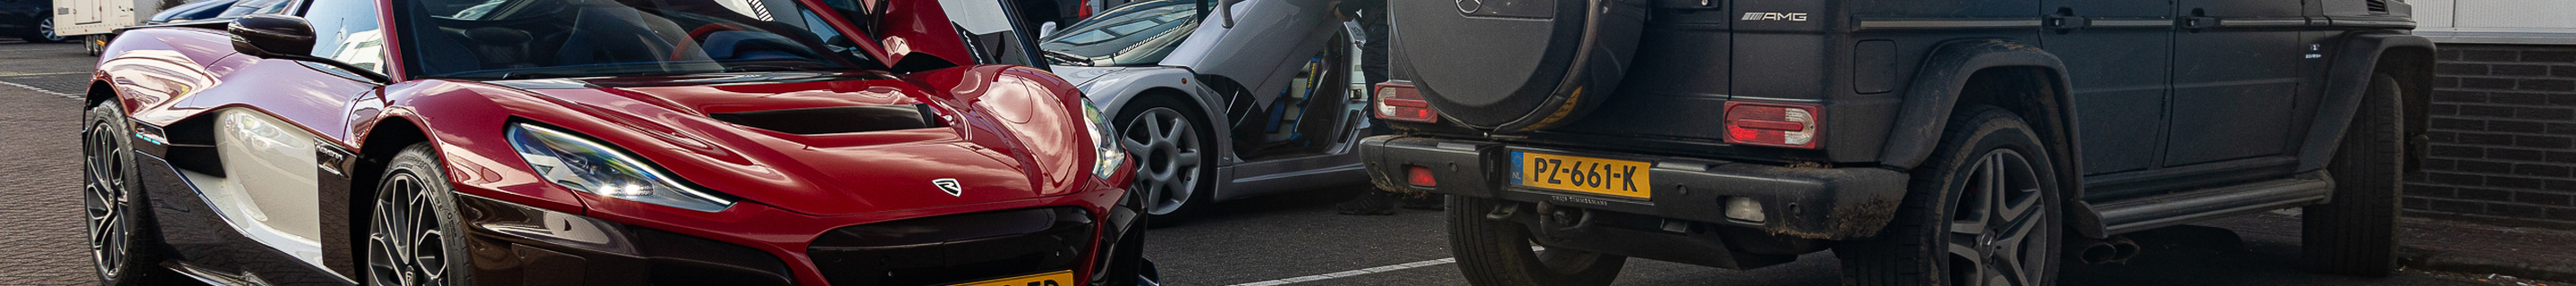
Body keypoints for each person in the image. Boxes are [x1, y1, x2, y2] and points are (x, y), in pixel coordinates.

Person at [1330, 0, 1441, 215]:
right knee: (1415, 109)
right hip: (1419, 29)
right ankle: (1425, 190)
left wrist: (1346, 8)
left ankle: (1380, 190)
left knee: (1383, 110)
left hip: (1385, 27)